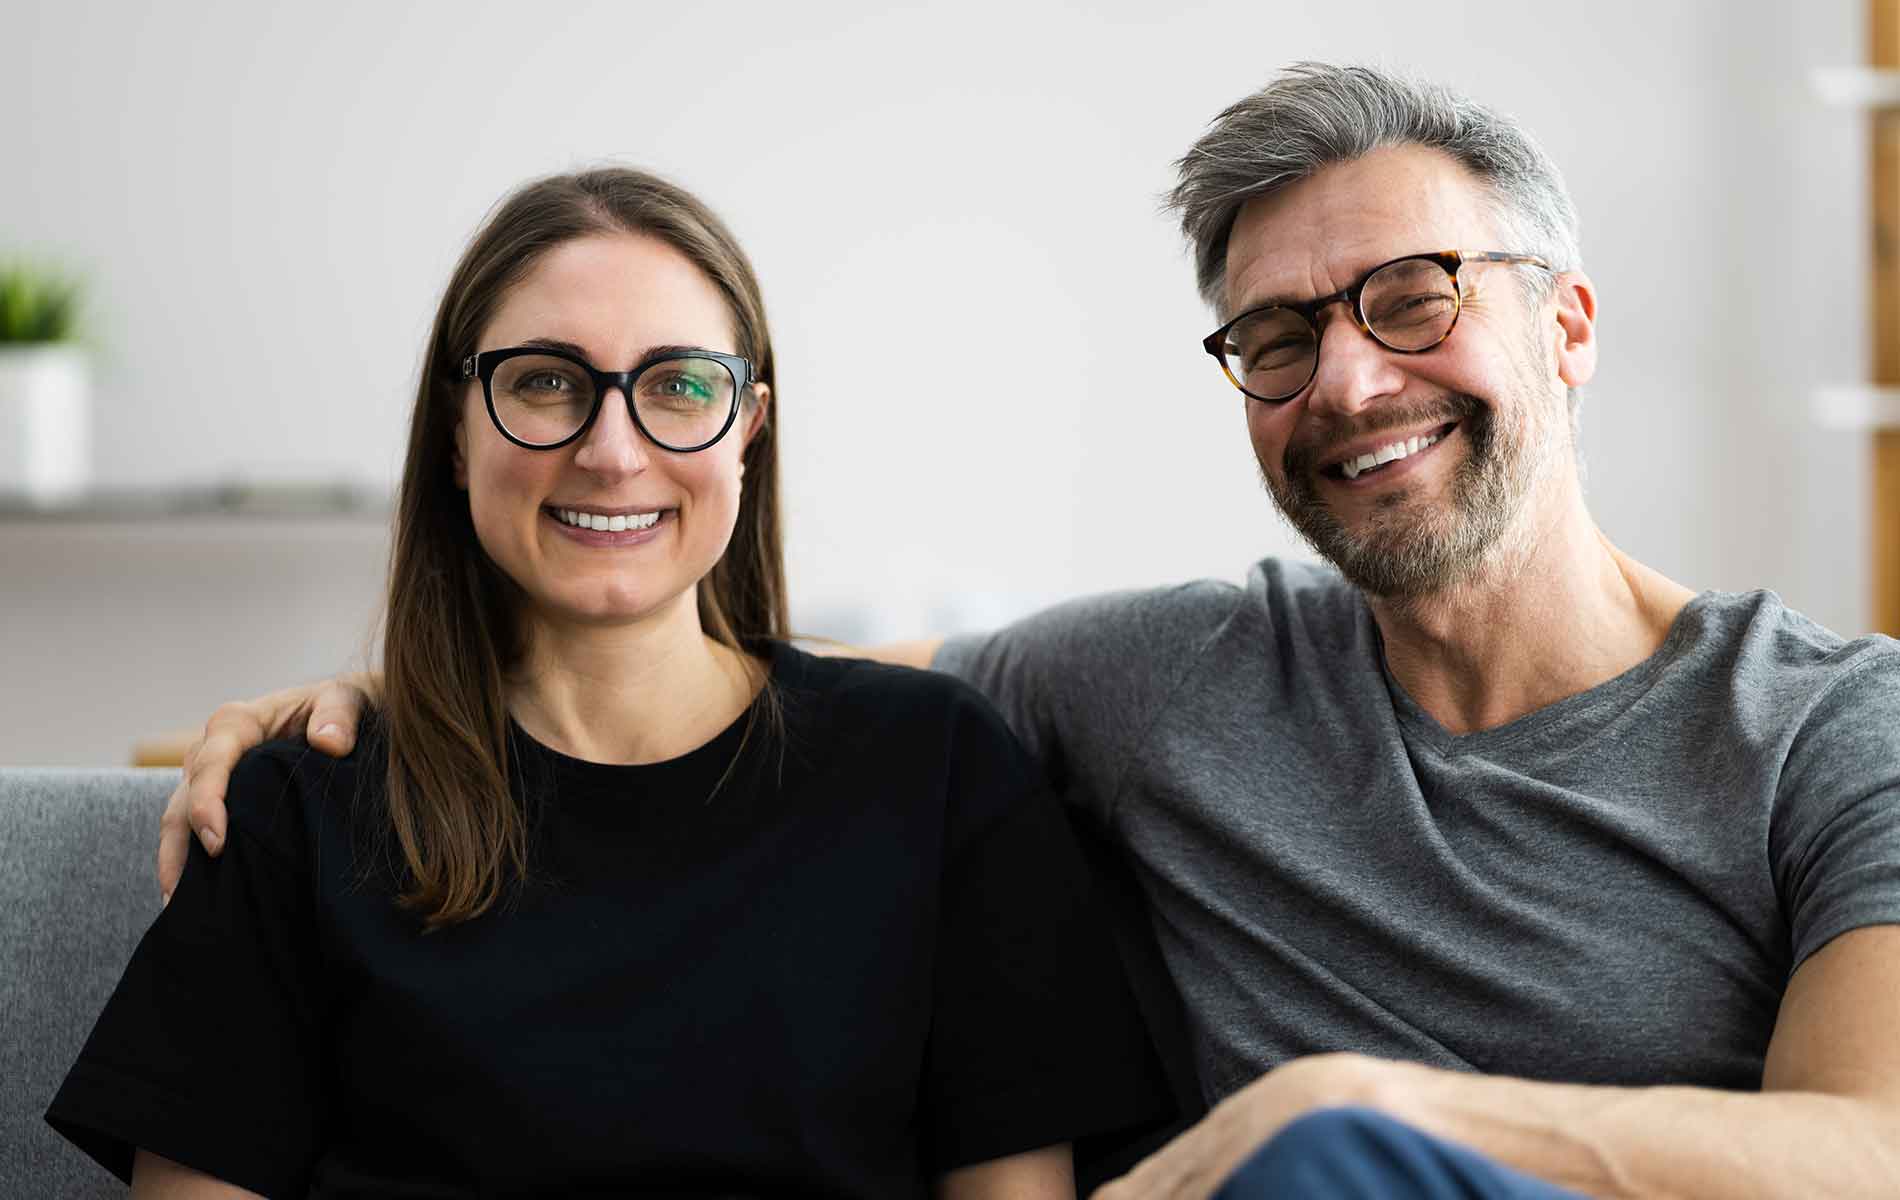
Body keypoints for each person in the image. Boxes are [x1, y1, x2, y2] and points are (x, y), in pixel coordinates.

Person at [161, 64, 1900, 1198]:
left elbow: (1875, 1146)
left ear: (1570, 322)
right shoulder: (1146, 685)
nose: (1350, 380)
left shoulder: (1832, 728)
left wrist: (1368, 1112)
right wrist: (406, 696)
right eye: (1278, 338)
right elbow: (711, 712)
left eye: (1414, 298)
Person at [48, 167, 1171, 1198]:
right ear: (455, 431)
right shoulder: (304, 800)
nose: (612, 449)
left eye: (680, 386)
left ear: (749, 434)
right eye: (545, 383)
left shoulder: (938, 772)